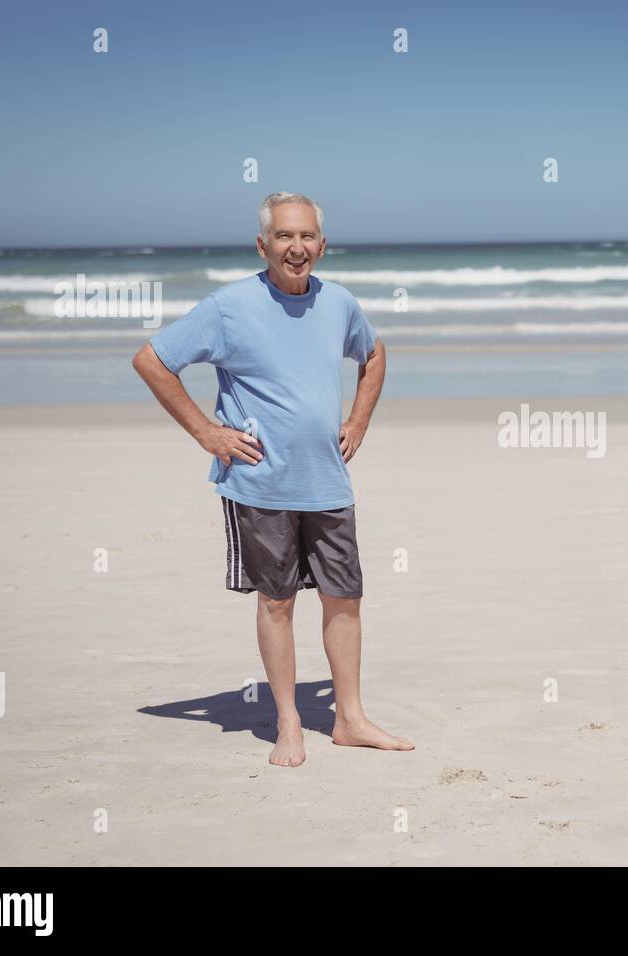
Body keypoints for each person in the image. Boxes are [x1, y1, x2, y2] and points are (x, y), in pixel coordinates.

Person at [131, 191, 413, 767]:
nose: (297, 247)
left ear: (322, 245)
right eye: (285, 236)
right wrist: (208, 433)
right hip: (261, 484)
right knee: (278, 601)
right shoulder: (229, 306)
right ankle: (288, 722)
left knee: (345, 597)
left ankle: (350, 718)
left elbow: (375, 355)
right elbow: (152, 360)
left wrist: (357, 421)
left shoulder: (338, 303)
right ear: (264, 245)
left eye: (307, 236)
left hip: (327, 480)